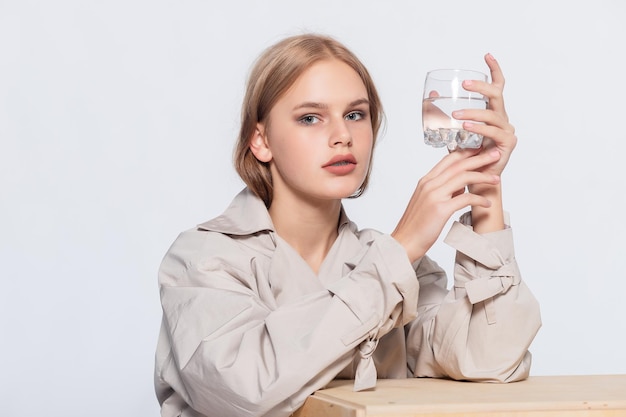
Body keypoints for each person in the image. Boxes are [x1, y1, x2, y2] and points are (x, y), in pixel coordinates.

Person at [154, 33, 541, 417]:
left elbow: (491, 361)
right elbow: (243, 388)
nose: (343, 136)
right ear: (261, 140)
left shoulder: (395, 264)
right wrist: (401, 248)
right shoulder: (203, 259)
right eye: (310, 118)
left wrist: (485, 184)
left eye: (356, 115)